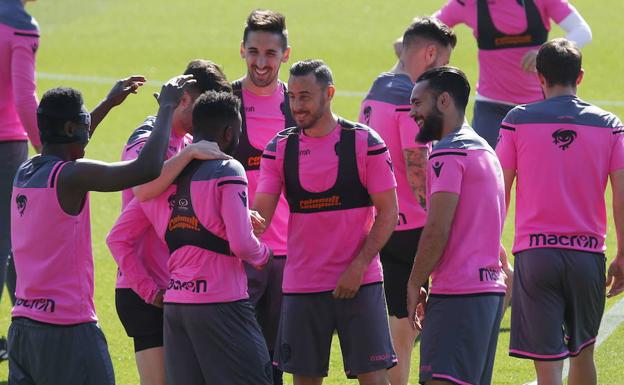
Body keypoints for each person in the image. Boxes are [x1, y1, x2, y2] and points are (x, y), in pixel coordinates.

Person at [8, 74, 194, 385]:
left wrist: (108, 103)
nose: (87, 130)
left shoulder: (25, 172)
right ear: (70, 128)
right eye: (82, 123)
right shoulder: (70, 177)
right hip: (68, 329)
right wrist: (166, 108)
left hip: (24, 331)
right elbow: (146, 170)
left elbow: (67, 141)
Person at [107, 90, 273, 385]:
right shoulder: (228, 170)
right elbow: (241, 244)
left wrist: (149, 291)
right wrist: (264, 256)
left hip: (176, 305)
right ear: (229, 132)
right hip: (223, 302)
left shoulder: (159, 182)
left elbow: (117, 237)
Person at [254, 60, 398, 385]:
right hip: (302, 285)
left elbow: (389, 212)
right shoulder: (278, 149)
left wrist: (359, 266)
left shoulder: (365, 142)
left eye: (305, 96)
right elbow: (259, 217)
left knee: (374, 379)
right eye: (291, 97)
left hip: (360, 282)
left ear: (329, 93)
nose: (296, 106)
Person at [496, 38, 624, 385]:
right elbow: (621, 196)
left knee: (548, 366)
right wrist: (623, 254)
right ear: (580, 77)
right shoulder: (609, 124)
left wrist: (494, 245)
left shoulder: (516, 121)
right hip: (586, 256)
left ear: (540, 77)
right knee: (583, 355)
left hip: (535, 255)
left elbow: (499, 188)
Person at [112, 59, 231, 385]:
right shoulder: (147, 139)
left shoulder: (187, 142)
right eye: (204, 110)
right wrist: (149, 290)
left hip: (179, 287)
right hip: (145, 290)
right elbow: (139, 194)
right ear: (184, 101)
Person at [359, 17, 456, 385]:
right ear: (430, 54)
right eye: (442, 62)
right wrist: (441, 216)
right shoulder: (408, 99)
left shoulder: (376, 89)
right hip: (410, 227)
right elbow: (417, 168)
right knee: (405, 325)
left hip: (378, 223)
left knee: (391, 320)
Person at [406, 67, 507, 385]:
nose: (412, 113)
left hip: (459, 295)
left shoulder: (448, 153)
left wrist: (414, 283)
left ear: (444, 101)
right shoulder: (485, 151)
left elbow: (437, 228)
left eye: (418, 103)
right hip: (487, 294)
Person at [431, 0, 592, 148]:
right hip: (491, 107)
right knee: (488, 174)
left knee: (539, 173)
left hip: (538, 107)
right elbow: (427, 30)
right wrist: (406, 43)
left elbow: (582, 31)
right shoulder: (468, 3)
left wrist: (545, 53)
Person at [233, 10, 294, 385]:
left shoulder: (298, 102)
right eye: (253, 51)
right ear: (241, 50)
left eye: (270, 53)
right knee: (237, 358)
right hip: (237, 255)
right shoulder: (225, 102)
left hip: (289, 256)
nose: (261, 62)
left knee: (275, 363)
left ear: (285, 55)